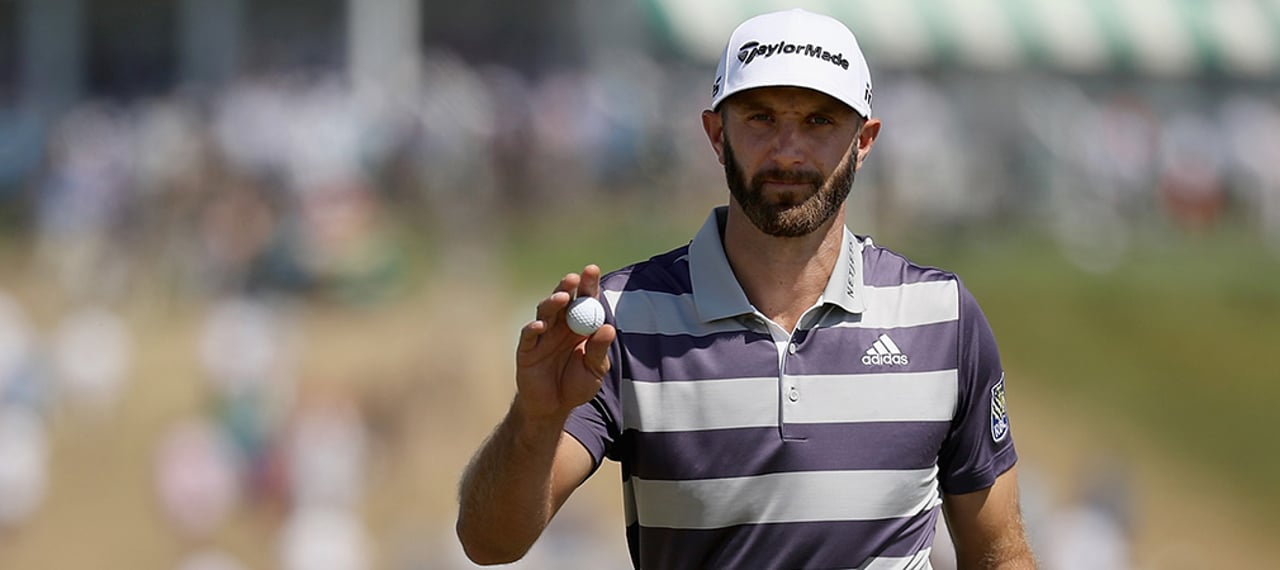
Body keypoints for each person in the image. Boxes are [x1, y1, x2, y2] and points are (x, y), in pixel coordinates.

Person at [457, 9, 1035, 569]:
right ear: (716, 134)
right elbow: (490, 542)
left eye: (819, 121)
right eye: (760, 118)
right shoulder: (623, 320)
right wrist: (535, 421)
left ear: (864, 141)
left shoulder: (943, 318)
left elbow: (999, 555)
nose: (788, 150)